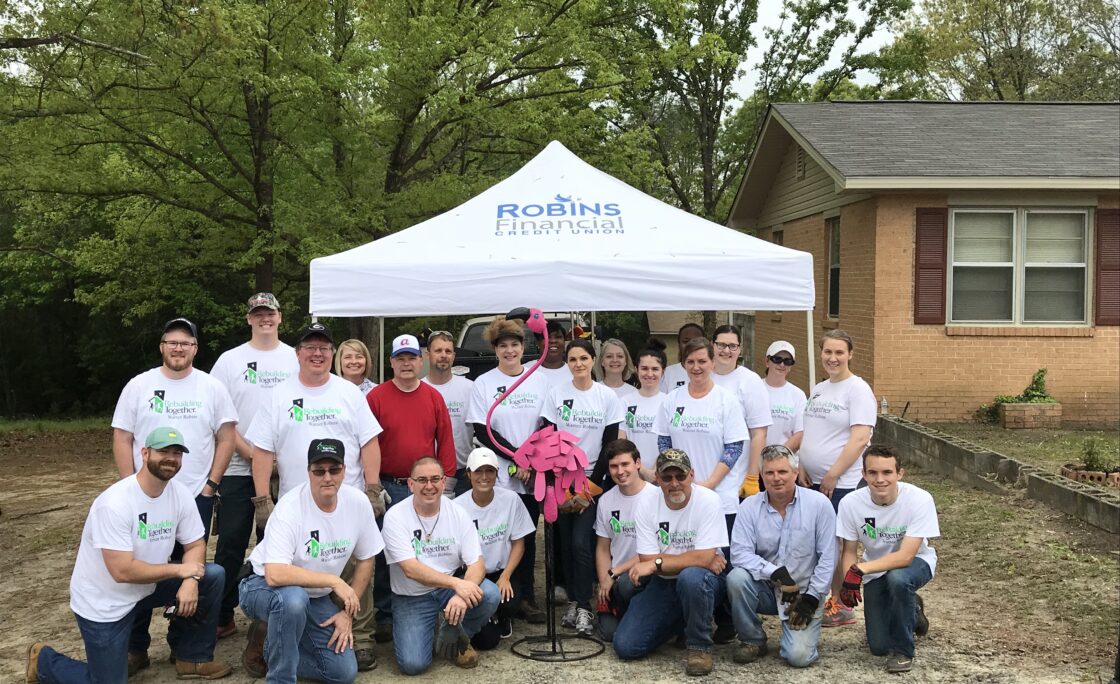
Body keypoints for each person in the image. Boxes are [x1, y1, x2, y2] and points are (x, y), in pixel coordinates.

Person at [28, 427, 231, 682]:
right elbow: (122, 571)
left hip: (147, 588)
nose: (171, 458)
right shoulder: (114, 503)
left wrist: (190, 581)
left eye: (177, 453)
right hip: (106, 602)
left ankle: (191, 657)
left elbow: (195, 544)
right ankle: (44, 660)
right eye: (163, 451)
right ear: (145, 453)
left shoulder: (179, 493)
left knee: (211, 576)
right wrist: (181, 571)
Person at [246, 322, 384, 671]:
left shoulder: (349, 393)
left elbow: (369, 442)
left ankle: (361, 635)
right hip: (296, 505)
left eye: (324, 347)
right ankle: (271, 634)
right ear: (298, 354)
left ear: (331, 354)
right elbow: (262, 450)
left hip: (346, 499)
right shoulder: (278, 394)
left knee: (356, 571)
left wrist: (372, 487)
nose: (318, 353)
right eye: (310, 347)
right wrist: (263, 500)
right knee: (293, 581)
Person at [110, 317, 237, 672]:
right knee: (140, 570)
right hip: (145, 496)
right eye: (172, 342)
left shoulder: (211, 387)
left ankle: (187, 649)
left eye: (186, 343)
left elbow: (226, 437)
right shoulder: (139, 385)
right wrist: (127, 488)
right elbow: (122, 437)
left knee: (193, 573)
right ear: (162, 346)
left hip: (195, 495)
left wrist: (211, 485)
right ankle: (135, 648)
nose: (178, 348)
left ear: (195, 349)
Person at [238, 438, 383, 683]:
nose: (327, 477)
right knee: (292, 600)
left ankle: (270, 643)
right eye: (319, 471)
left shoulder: (358, 502)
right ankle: (280, 678)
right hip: (261, 586)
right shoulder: (290, 507)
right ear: (309, 472)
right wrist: (333, 581)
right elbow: (275, 574)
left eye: (334, 470)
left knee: (342, 673)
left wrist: (347, 614)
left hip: (314, 596)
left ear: (344, 471)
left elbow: (366, 558)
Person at [209, 292, 300, 640]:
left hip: (285, 469)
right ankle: (221, 614)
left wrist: (278, 455)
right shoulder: (230, 361)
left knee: (275, 543)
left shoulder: (295, 357)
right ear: (248, 318)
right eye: (258, 313)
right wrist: (252, 452)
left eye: (270, 313)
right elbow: (222, 416)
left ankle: (267, 616)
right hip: (237, 466)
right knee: (231, 542)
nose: (265, 318)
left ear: (279, 317)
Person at [366, 333, 456, 641]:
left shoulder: (432, 397)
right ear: (391, 362)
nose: (406, 363)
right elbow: (367, 443)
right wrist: (372, 485)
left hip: (425, 486)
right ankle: (386, 613)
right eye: (400, 358)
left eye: (412, 358)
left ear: (422, 361)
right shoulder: (376, 397)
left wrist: (446, 482)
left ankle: (427, 606)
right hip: (388, 485)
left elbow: (445, 439)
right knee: (383, 551)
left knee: (422, 548)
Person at [612, 448, 729, 677]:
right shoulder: (647, 503)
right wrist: (696, 558)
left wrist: (658, 561)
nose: (674, 483)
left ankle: (699, 646)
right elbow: (645, 559)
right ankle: (683, 620)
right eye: (667, 477)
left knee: (692, 577)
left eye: (680, 476)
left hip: (702, 581)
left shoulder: (709, 500)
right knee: (626, 646)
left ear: (692, 475)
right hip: (664, 582)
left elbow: (702, 559)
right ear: (657, 478)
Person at [381, 457, 501, 675]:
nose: (429, 486)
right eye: (422, 480)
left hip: (448, 592)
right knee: (413, 665)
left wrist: (460, 594)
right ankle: (440, 631)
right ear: (410, 484)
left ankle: (454, 635)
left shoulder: (457, 513)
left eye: (435, 479)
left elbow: (477, 563)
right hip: (412, 597)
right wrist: (457, 584)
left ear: (444, 482)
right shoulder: (395, 517)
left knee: (490, 594)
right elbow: (410, 569)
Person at [465, 317, 549, 623]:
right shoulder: (484, 383)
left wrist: (531, 460)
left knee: (525, 534)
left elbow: (548, 425)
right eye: (503, 346)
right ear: (495, 349)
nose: (510, 350)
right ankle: (494, 594)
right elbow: (482, 430)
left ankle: (525, 596)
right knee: (495, 534)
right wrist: (516, 458)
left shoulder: (538, 379)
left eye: (515, 344)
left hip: (532, 473)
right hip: (498, 473)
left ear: (523, 346)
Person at [541, 338, 626, 635]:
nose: (578, 364)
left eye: (583, 358)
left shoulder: (606, 397)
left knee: (581, 543)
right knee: (565, 545)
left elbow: (609, 445)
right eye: (573, 359)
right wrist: (559, 482)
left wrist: (588, 487)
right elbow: (547, 440)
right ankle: (574, 605)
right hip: (561, 479)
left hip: (593, 480)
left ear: (593, 361)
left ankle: (585, 606)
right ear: (567, 363)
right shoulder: (556, 394)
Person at [726, 445, 836, 668]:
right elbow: (739, 554)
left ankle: (803, 635)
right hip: (765, 588)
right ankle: (752, 639)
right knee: (736, 578)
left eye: (783, 472)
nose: (776, 478)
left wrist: (813, 597)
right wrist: (775, 572)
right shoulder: (748, 507)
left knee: (798, 657)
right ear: (762, 476)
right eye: (769, 472)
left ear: (795, 473)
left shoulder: (819, 505)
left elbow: (828, 557)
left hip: (803, 593)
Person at [798, 329, 876, 627]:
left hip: (841, 482)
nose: (832, 358)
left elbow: (859, 438)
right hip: (812, 481)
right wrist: (802, 464)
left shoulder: (857, 389)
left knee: (841, 544)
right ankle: (824, 598)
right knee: (821, 542)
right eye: (827, 352)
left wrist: (832, 474)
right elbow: (813, 431)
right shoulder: (819, 388)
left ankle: (842, 605)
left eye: (839, 352)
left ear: (850, 354)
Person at [836, 445, 938, 674]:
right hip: (874, 568)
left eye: (887, 473)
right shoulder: (850, 503)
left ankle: (904, 652)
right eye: (872, 473)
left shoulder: (919, 499)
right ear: (863, 474)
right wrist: (847, 582)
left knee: (898, 579)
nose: (879, 479)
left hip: (916, 563)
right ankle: (913, 611)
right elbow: (849, 550)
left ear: (899, 474)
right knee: (879, 647)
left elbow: (905, 556)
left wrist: (859, 570)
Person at [655, 337, 748, 525]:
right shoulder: (671, 400)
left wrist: (709, 484)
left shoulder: (726, 400)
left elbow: (734, 448)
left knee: (720, 555)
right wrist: (680, 481)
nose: (696, 367)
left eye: (702, 361)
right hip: (681, 494)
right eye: (690, 361)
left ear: (712, 363)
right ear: (684, 365)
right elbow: (664, 444)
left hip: (720, 497)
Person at [452, 447, 535, 649]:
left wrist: (505, 576)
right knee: (486, 642)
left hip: (500, 571)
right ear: (468, 474)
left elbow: (518, 543)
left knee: (509, 602)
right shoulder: (456, 507)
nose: (484, 477)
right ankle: (484, 616)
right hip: (471, 574)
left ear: (497, 474)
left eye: (490, 471)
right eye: (478, 471)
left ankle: (501, 615)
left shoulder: (511, 499)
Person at [593, 439, 660, 642]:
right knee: (608, 634)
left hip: (647, 574)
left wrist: (615, 573)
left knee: (626, 584)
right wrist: (605, 580)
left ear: (638, 463)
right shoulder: (606, 500)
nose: (620, 471)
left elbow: (656, 550)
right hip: (617, 577)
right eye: (614, 466)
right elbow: (603, 548)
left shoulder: (656, 496)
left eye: (625, 464)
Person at [709, 325, 771, 498]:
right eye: (721, 345)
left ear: (739, 349)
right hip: (700, 476)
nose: (726, 350)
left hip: (735, 480)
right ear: (712, 345)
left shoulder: (751, 381)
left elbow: (759, 433)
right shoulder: (702, 376)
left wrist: (752, 477)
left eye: (732, 346)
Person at [422, 330, 475, 498]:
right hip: (427, 474)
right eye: (438, 351)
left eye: (448, 351)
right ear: (427, 355)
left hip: (463, 474)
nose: (443, 355)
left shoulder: (470, 388)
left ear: (454, 356)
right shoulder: (418, 389)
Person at [624, 340, 668, 466]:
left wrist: (656, 470)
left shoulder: (669, 402)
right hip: (633, 473)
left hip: (663, 473)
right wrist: (641, 470)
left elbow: (672, 441)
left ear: (663, 372)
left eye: (655, 369)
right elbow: (621, 441)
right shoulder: (625, 402)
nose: (649, 374)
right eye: (644, 368)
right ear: (637, 369)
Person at [762, 341, 806, 452]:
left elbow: (800, 433)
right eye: (777, 359)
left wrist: (777, 456)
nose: (782, 365)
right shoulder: (753, 389)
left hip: (784, 463)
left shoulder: (798, 395)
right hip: (754, 462)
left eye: (787, 361)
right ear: (767, 361)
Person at [659, 322, 704, 393]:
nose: (691, 345)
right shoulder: (667, 373)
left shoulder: (711, 372)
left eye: (696, 341)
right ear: (679, 344)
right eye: (686, 341)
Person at [533, 319, 572, 390]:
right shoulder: (525, 371)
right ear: (537, 343)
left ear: (564, 342)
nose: (553, 341)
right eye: (547, 337)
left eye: (558, 337)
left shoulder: (574, 371)